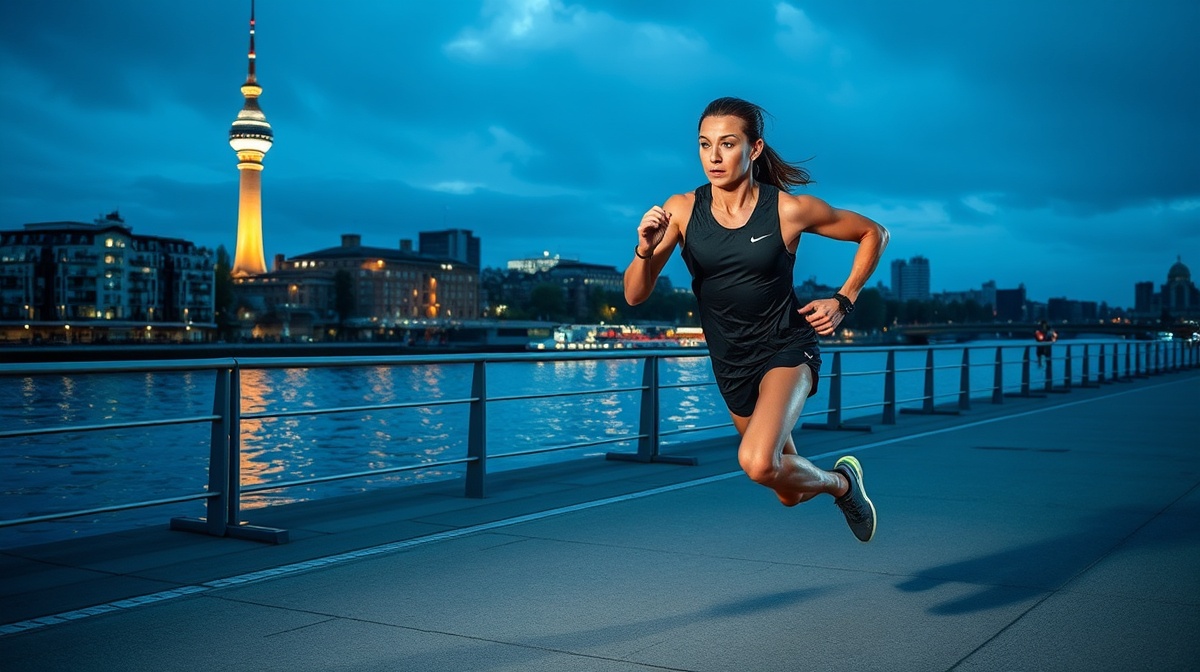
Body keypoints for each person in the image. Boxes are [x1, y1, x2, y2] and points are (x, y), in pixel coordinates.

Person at [623, 97, 889, 542]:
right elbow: (634, 294)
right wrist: (645, 248)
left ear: (755, 148)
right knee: (786, 491)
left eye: (727, 144)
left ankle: (841, 486)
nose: (714, 156)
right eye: (705, 144)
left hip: (787, 347)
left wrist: (845, 299)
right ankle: (841, 483)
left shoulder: (787, 209)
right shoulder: (684, 209)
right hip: (731, 362)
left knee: (757, 462)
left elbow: (872, 233)